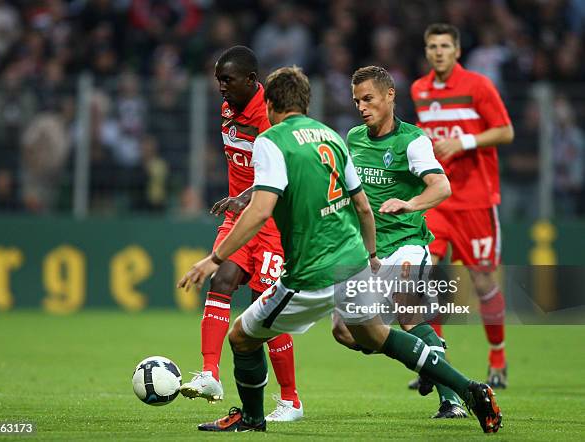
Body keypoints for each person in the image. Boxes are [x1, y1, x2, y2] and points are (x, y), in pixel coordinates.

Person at [178, 66, 502, 434]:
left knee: (241, 335)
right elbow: (363, 206)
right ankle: (470, 388)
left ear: (268, 103)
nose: (362, 107)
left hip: (313, 273)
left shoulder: (272, 140)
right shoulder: (332, 136)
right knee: (370, 335)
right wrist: (370, 255)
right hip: (355, 261)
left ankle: (253, 418)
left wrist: (214, 258)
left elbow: (262, 212)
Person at [330, 65, 468, 419]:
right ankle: (425, 359)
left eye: (368, 99)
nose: (361, 107)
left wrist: (410, 203)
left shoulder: (412, 140)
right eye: (356, 100)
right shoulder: (354, 138)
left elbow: (441, 186)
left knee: (408, 314)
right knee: (344, 331)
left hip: (407, 242)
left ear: (390, 95)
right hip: (368, 251)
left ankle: (452, 400)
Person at [178, 46, 303, 422]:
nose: (221, 87)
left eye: (227, 80)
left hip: (272, 222)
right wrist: (239, 201)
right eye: (218, 80)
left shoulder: (271, 116)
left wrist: (246, 197)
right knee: (222, 280)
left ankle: (291, 400)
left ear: (252, 80)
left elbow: (283, 173)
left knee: (265, 310)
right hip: (239, 218)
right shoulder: (228, 109)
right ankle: (210, 375)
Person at [410, 23, 514, 389]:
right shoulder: (419, 89)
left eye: (444, 46)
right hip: (439, 199)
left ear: (457, 51)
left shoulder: (478, 86)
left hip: (476, 201)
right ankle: (435, 360)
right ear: (426, 51)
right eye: (432, 46)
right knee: (424, 276)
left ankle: (497, 358)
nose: (438, 52)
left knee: (483, 280)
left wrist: (465, 141)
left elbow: (505, 131)